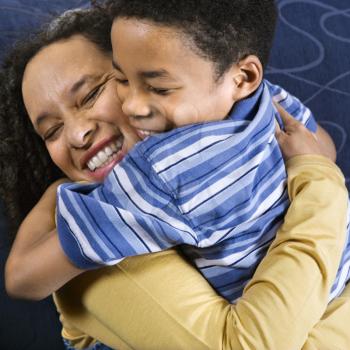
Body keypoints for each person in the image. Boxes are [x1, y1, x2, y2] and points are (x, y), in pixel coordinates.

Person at [2, 6, 350, 350]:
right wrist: (317, 179)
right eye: (51, 131)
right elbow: (318, 151)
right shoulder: (258, 105)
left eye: (93, 93)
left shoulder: (159, 178)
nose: (77, 134)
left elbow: (21, 277)